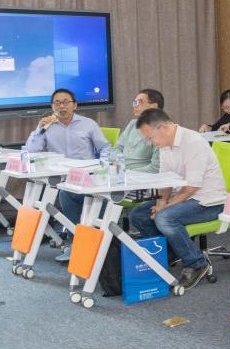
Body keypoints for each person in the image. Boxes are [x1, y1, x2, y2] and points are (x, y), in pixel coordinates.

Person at [130, 109, 227, 290]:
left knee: (164, 217)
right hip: (184, 198)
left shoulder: (193, 142)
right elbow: (165, 180)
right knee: (138, 215)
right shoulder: (165, 145)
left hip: (208, 202)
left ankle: (197, 263)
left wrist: (164, 208)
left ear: (163, 128)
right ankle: (170, 253)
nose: (150, 143)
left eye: (150, 137)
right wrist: (161, 203)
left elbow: (192, 187)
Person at [25, 88, 109, 263]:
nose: (61, 106)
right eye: (57, 103)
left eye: (65, 102)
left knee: (71, 195)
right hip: (61, 177)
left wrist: (103, 168)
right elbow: (31, 151)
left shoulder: (88, 124)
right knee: (63, 193)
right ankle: (76, 243)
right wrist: (39, 129)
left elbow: (105, 148)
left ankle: (95, 245)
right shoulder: (48, 126)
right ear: (52, 106)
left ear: (75, 105)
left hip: (87, 176)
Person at [116, 89, 163, 173]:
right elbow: (117, 148)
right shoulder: (133, 124)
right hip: (122, 173)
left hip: (141, 177)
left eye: (140, 102)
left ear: (154, 106)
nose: (135, 106)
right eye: (135, 102)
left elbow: (155, 168)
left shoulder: (162, 129)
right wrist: (119, 166)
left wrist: (127, 173)